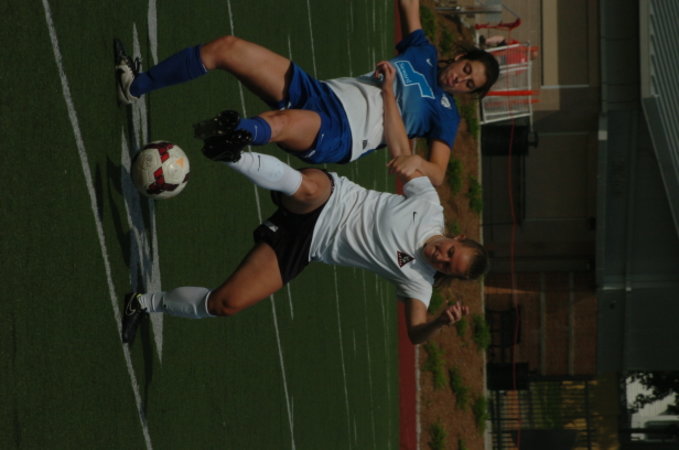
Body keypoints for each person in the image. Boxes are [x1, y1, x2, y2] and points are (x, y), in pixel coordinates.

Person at [121, 79, 489, 345]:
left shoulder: (419, 282)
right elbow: (400, 148)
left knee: (224, 304)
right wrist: (388, 95)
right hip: (332, 196)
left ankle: (142, 303)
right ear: (456, 237)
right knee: (308, 188)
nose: (441, 258)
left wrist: (439, 322)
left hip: (310, 243)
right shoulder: (429, 206)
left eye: (447, 267)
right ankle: (232, 154)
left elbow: (415, 333)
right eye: (450, 251)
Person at [114, 0, 499, 186]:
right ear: (460, 57)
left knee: (281, 123)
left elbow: (438, 173)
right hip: (321, 91)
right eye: (467, 70)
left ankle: (235, 134)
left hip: (344, 133)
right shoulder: (424, 51)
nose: (460, 80)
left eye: (470, 85)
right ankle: (135, 86)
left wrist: (418, 164)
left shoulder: (446, 113)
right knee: (227, 48)